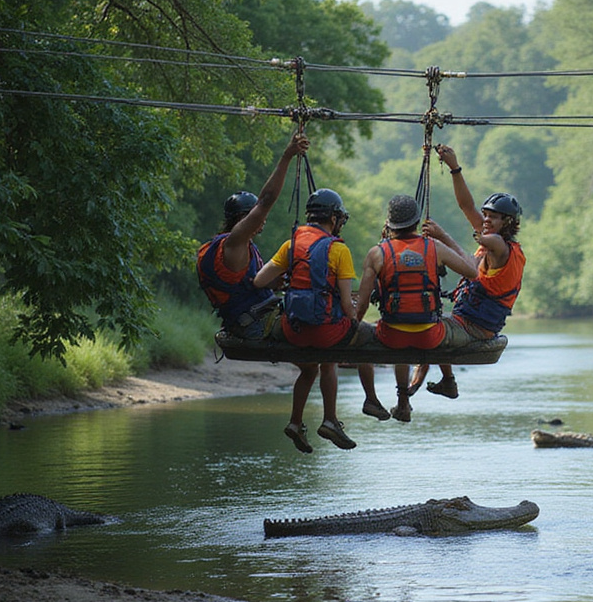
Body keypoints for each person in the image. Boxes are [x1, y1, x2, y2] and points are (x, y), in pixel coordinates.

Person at [403, 144, 526, 399]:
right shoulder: (491, 240)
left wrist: (442, 236)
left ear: (508, 223)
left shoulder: (499, 246)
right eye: (486, 215)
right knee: (431, 319)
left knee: (428, 327)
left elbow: (474, 254)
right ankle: (430, 385)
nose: (487, 220)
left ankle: (431, 386)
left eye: (494, 217)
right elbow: (467, 207)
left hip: (476, 328)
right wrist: (454, 168)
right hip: (466, 320)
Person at [253, 188, 364, 453]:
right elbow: (348, 306)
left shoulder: (291, 243)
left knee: (309, 368)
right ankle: (330, 419)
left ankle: (295, 422)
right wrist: (356, 318)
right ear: (334, 218)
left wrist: (284, 281)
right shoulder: (339, 250)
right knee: (329, 360)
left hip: (294, 329)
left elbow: (259, 281)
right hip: (324, 332)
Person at [355, 195, 478, 422]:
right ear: (416, 222)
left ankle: (386, 399)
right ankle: (440, 384)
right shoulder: (435, 247)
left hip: (391, 336)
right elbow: (472, 271)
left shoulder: (377, 253)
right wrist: (446, 238)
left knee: (378, 333)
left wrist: (353, 327)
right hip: (430, 336)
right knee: (440, 321)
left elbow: (361, 304)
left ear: (390, 224)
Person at [196, 130, 308, 338]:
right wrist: (287, 155)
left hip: (253, 317)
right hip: (253, 324)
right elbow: (266, 200)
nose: (261, 219)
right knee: (317, 328)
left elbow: (245, 286)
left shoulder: (243, 247)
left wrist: (275, 282)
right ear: (241, 218)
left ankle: (312, 373)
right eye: (253, 216)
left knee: (311, 370)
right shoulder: (234, 243)